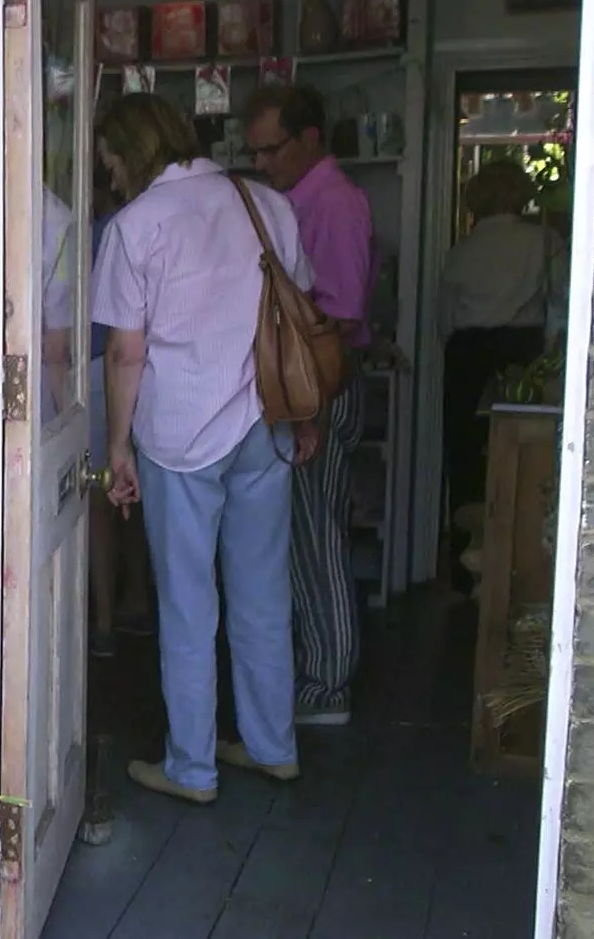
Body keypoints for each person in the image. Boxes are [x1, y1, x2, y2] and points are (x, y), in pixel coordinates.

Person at [92, 92, 312, 804]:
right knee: (261, 591)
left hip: (180, 432)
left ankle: (193, 766)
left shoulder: (135, 225)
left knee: (188, 603)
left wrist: (116, 444)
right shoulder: (265, 204)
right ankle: (272, 744)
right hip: (263, 423)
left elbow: (125, 353)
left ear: (129, 153)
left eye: (112, 163)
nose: (112, 177)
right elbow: (301, 313)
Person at [245, 85, 373, 727]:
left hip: (322, 390)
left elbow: (342, 318)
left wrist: (313, 409)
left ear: (309, 139)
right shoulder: (301, 202)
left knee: (318, 540)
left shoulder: (335, 203)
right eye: (256, 152)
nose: (262, 163)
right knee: (304, 539)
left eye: (271, 149)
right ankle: (316, 673)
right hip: (307, 392)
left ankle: (327, 684)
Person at [439, 160, 570, 552]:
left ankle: (468, 559)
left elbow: (443, 320)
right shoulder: (543, 242)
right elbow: (563, 299)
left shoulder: (461, 251)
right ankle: (521, 554)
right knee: (523, 454)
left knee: (465, 454)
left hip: (467, 354)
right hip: (521, 350)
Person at [86, 168, 154, 658]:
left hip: (99, 368)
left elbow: (116, 344)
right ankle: (136, 601)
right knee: (137, 497)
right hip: (148, 372)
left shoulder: (107, 230)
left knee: (102, 497)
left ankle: (104, 620)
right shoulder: (131, 225)